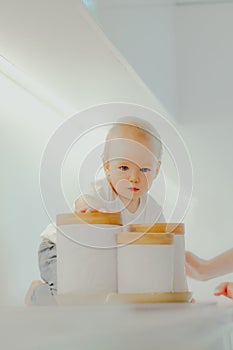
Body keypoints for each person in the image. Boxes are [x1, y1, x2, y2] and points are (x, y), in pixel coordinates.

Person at [25, 117, 165, 305]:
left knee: (102, 297)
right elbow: (83, 201)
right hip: (59, 249)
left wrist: (174, 293)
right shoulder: (102, 194)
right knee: (68, 298)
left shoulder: (153, 211)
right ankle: (36, 292)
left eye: (144, 169)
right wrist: (90, 211)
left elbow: (162, 252)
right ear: (107, 168)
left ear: (156, 169)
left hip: (96, 260)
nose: (133, 177)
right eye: (124, 167)